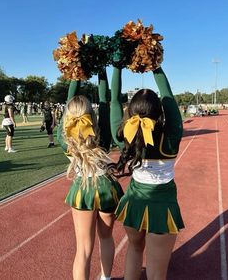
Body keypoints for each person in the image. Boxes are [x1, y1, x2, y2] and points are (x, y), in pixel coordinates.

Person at [110, 66, 185, 280]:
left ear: (131, 112)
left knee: (134, 251)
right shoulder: (170, 137)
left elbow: (114, 101)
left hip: (134, 203)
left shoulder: (125, 136)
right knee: (156, 271)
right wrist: (157, 67)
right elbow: (169, 97)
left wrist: (117, 68)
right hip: (162, 208)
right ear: (159, 112)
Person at [57, 72, 123, 280]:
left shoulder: (64, 137)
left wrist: (76, 73)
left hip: (82, 191)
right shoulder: (102, 132)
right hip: (106, 189)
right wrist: (103, 72)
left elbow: (70, 99)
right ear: (91, 117)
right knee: (106, 238)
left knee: (83, 249)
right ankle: (106, 278)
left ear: (67, 116)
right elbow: (105, 100)